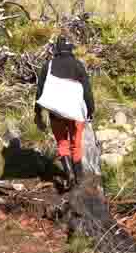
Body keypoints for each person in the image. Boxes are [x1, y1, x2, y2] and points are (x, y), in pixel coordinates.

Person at [34, 36, 95, 190]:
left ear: (57, 49)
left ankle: (69, 174)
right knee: (76, 145)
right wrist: (90, 110)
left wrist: (38, 113)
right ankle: (79, 178)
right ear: (71, 49)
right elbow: (87, 91)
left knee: (62, 143)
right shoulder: (78, 65)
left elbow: (40, 91)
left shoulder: (48, 65)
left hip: (56, 113)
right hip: (76, 112)